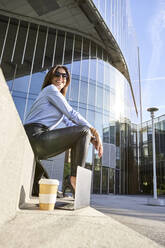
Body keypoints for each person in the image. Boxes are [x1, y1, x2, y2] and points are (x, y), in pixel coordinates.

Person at [24, 65, 103, 197]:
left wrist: (91, 138)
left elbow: (70, 122)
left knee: (83, 132)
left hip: (38, 139)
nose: (61, 78)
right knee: (84, 131)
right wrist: (94, 132)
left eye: (64, 76)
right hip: (34, 136)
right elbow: (72, 113)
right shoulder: (50, 90)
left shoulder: (57, 100)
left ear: (67, 80)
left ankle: (71, 180)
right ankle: (74, 179)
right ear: (50, 77)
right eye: (57, 74)